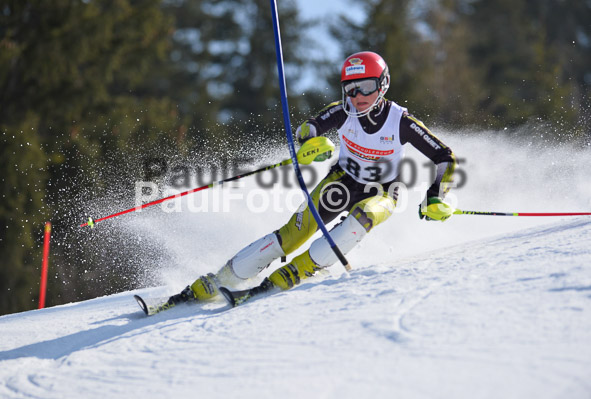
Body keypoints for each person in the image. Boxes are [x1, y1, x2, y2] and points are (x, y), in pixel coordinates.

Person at [168, 51, 457, 305]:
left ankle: (297, 271)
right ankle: (219, 280)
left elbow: (445, 156)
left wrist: (436, 195)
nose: (358, 97)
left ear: (383, 85)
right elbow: (309, 127)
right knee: (293, 234)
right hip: (342, 182)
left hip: (382, 192)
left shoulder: (400, 121)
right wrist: (310, 145)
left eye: (366, 87)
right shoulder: (344, 111)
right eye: (350, 89)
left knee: (362, 216)